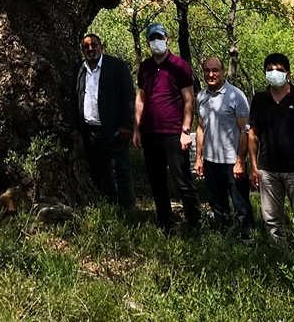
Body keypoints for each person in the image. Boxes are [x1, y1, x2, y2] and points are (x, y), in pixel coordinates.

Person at [133, 22, 201, 232]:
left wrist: (185, 131)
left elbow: (189, 100)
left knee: (183, 181)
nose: (157, 42)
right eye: (152, 39)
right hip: (150, 133)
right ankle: (166, 224)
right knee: (157, 182)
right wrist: (136, 128)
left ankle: (193, 223)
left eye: (160, 38)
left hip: (174, 134)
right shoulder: (145, 67)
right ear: (148, 42)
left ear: (167, 40)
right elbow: (141, 98)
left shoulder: (180, 66)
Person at [248, 53, 294, 246]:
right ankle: (280, 259)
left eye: (279, 70)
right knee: (272, 221)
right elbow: (253, 135)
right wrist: (254, 167)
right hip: (268, 171)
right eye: (270, 69)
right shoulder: (259, 100)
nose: (274, 73)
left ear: (288, 74)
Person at [71, 33, 136, 214]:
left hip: (115, 131)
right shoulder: (80, 69)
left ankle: (128, 211)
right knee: (99, 173)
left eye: (94, 45)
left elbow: (129, 96)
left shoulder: (116, 66)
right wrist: (75, 128)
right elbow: (74, 99)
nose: (90, 49)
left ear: (101, 47)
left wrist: (127, 124)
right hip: (91, 133)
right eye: (86, 46)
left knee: (121, 172)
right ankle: (109, 209)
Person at [195, 56, 254, 240]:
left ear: (222, 72)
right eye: (207, 70)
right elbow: (200, 128)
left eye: (215, 70)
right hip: (211, 161)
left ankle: (247, 240)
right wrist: (199, 158)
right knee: (217, 204)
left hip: (231, 162)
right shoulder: (201, 96)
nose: (211, 74)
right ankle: (224, 238)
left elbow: (245, 131)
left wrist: (239, 162)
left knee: (241, 205)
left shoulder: (236, 95)